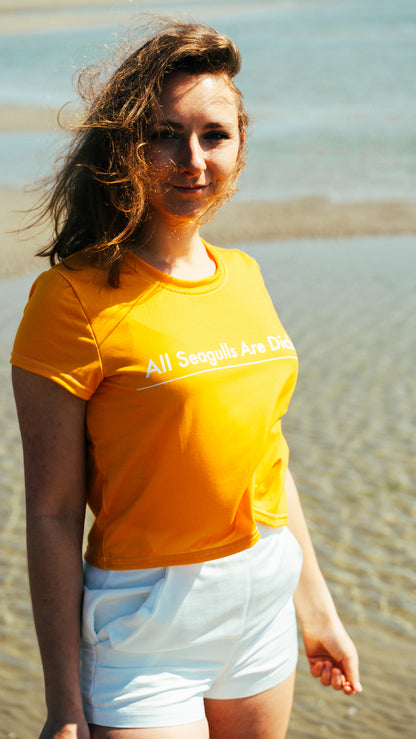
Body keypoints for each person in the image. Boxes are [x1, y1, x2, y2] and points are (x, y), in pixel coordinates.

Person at [11, 19, 361, 739]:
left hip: (262, 601)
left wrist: (317, 612)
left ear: (240, 145)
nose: (191, 160)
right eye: (164, 134)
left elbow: (269, 458)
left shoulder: (246, 276)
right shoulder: (70, 299)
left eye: (213, 136)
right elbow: (50, 512)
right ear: (126, 146)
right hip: (145, 622)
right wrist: (64, 703)